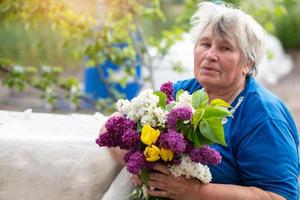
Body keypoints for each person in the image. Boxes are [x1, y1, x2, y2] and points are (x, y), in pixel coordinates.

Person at [100, 2, 299, 200]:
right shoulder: (184, 92)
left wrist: (195, 192)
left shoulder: (264, 118)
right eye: (205, 44)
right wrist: (138, 163)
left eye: (225, 48)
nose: (210, 55)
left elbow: (280, 196)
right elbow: (112, 127)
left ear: (247, 63)